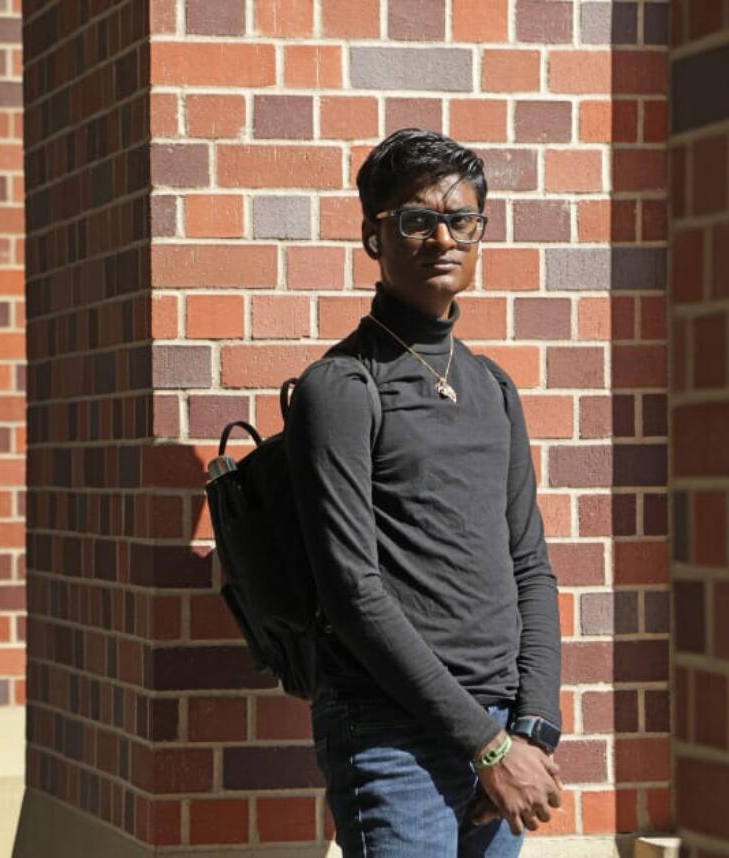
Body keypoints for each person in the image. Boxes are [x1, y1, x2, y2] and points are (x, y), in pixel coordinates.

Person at [285, 128, 564, 858]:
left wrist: (531, 726)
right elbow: (351, 592)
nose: (442, 237)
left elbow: (529, 565)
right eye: (416, 219)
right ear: (374, 236)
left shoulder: (493, 388)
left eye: (461, 219)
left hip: (499, 728)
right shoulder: (343, 387)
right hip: (392, 736)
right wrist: (488, 746)